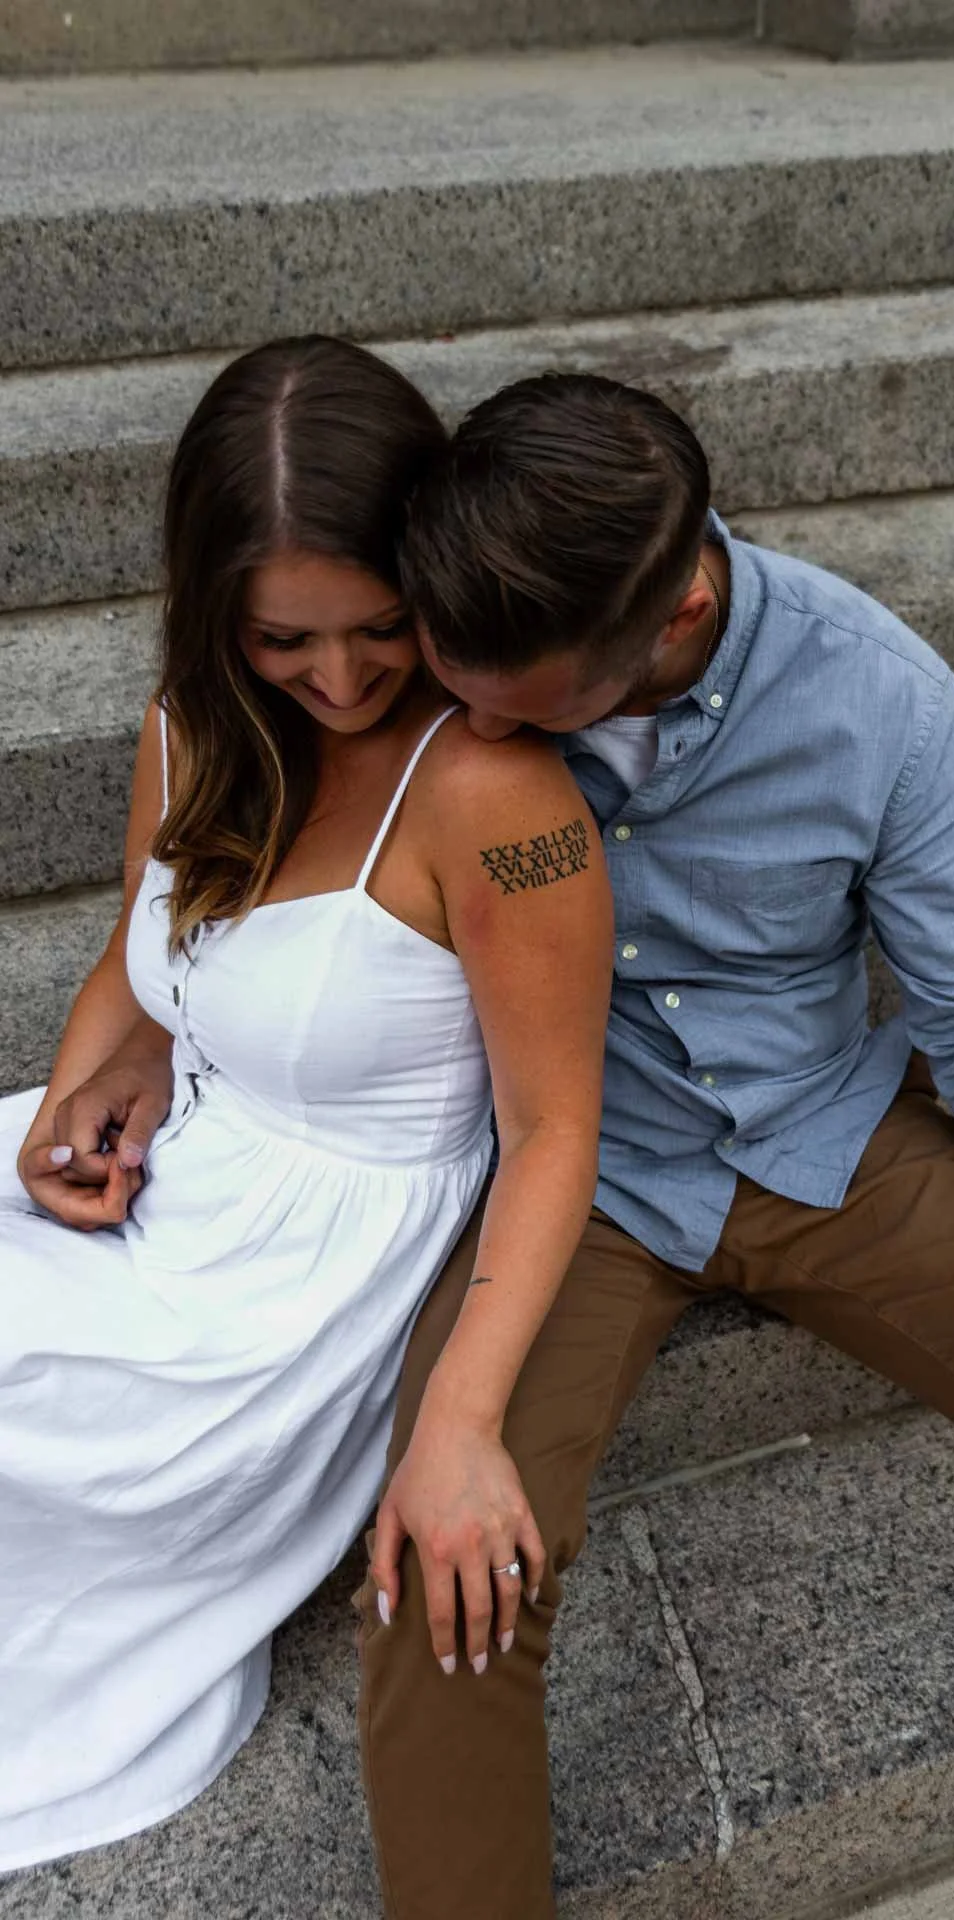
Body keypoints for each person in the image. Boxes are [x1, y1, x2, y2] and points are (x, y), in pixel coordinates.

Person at [357, 372, 954, 1920]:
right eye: (465, 694)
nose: (480, 730)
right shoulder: (451, 658)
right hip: (579, 1175)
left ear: (678, 610)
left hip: (824, 1137)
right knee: (443, 1567)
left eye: (529, 709)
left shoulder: (877, 693)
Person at [0, 339, 612, 1874]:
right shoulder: (193, 720)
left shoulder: (499, 804)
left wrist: (460, 1415)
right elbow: (144, 952)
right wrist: (91, 1083)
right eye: (284, 638)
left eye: (380, 627)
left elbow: (553, 1130)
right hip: (180, 1161)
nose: (338, 680)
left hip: (294, 1287)